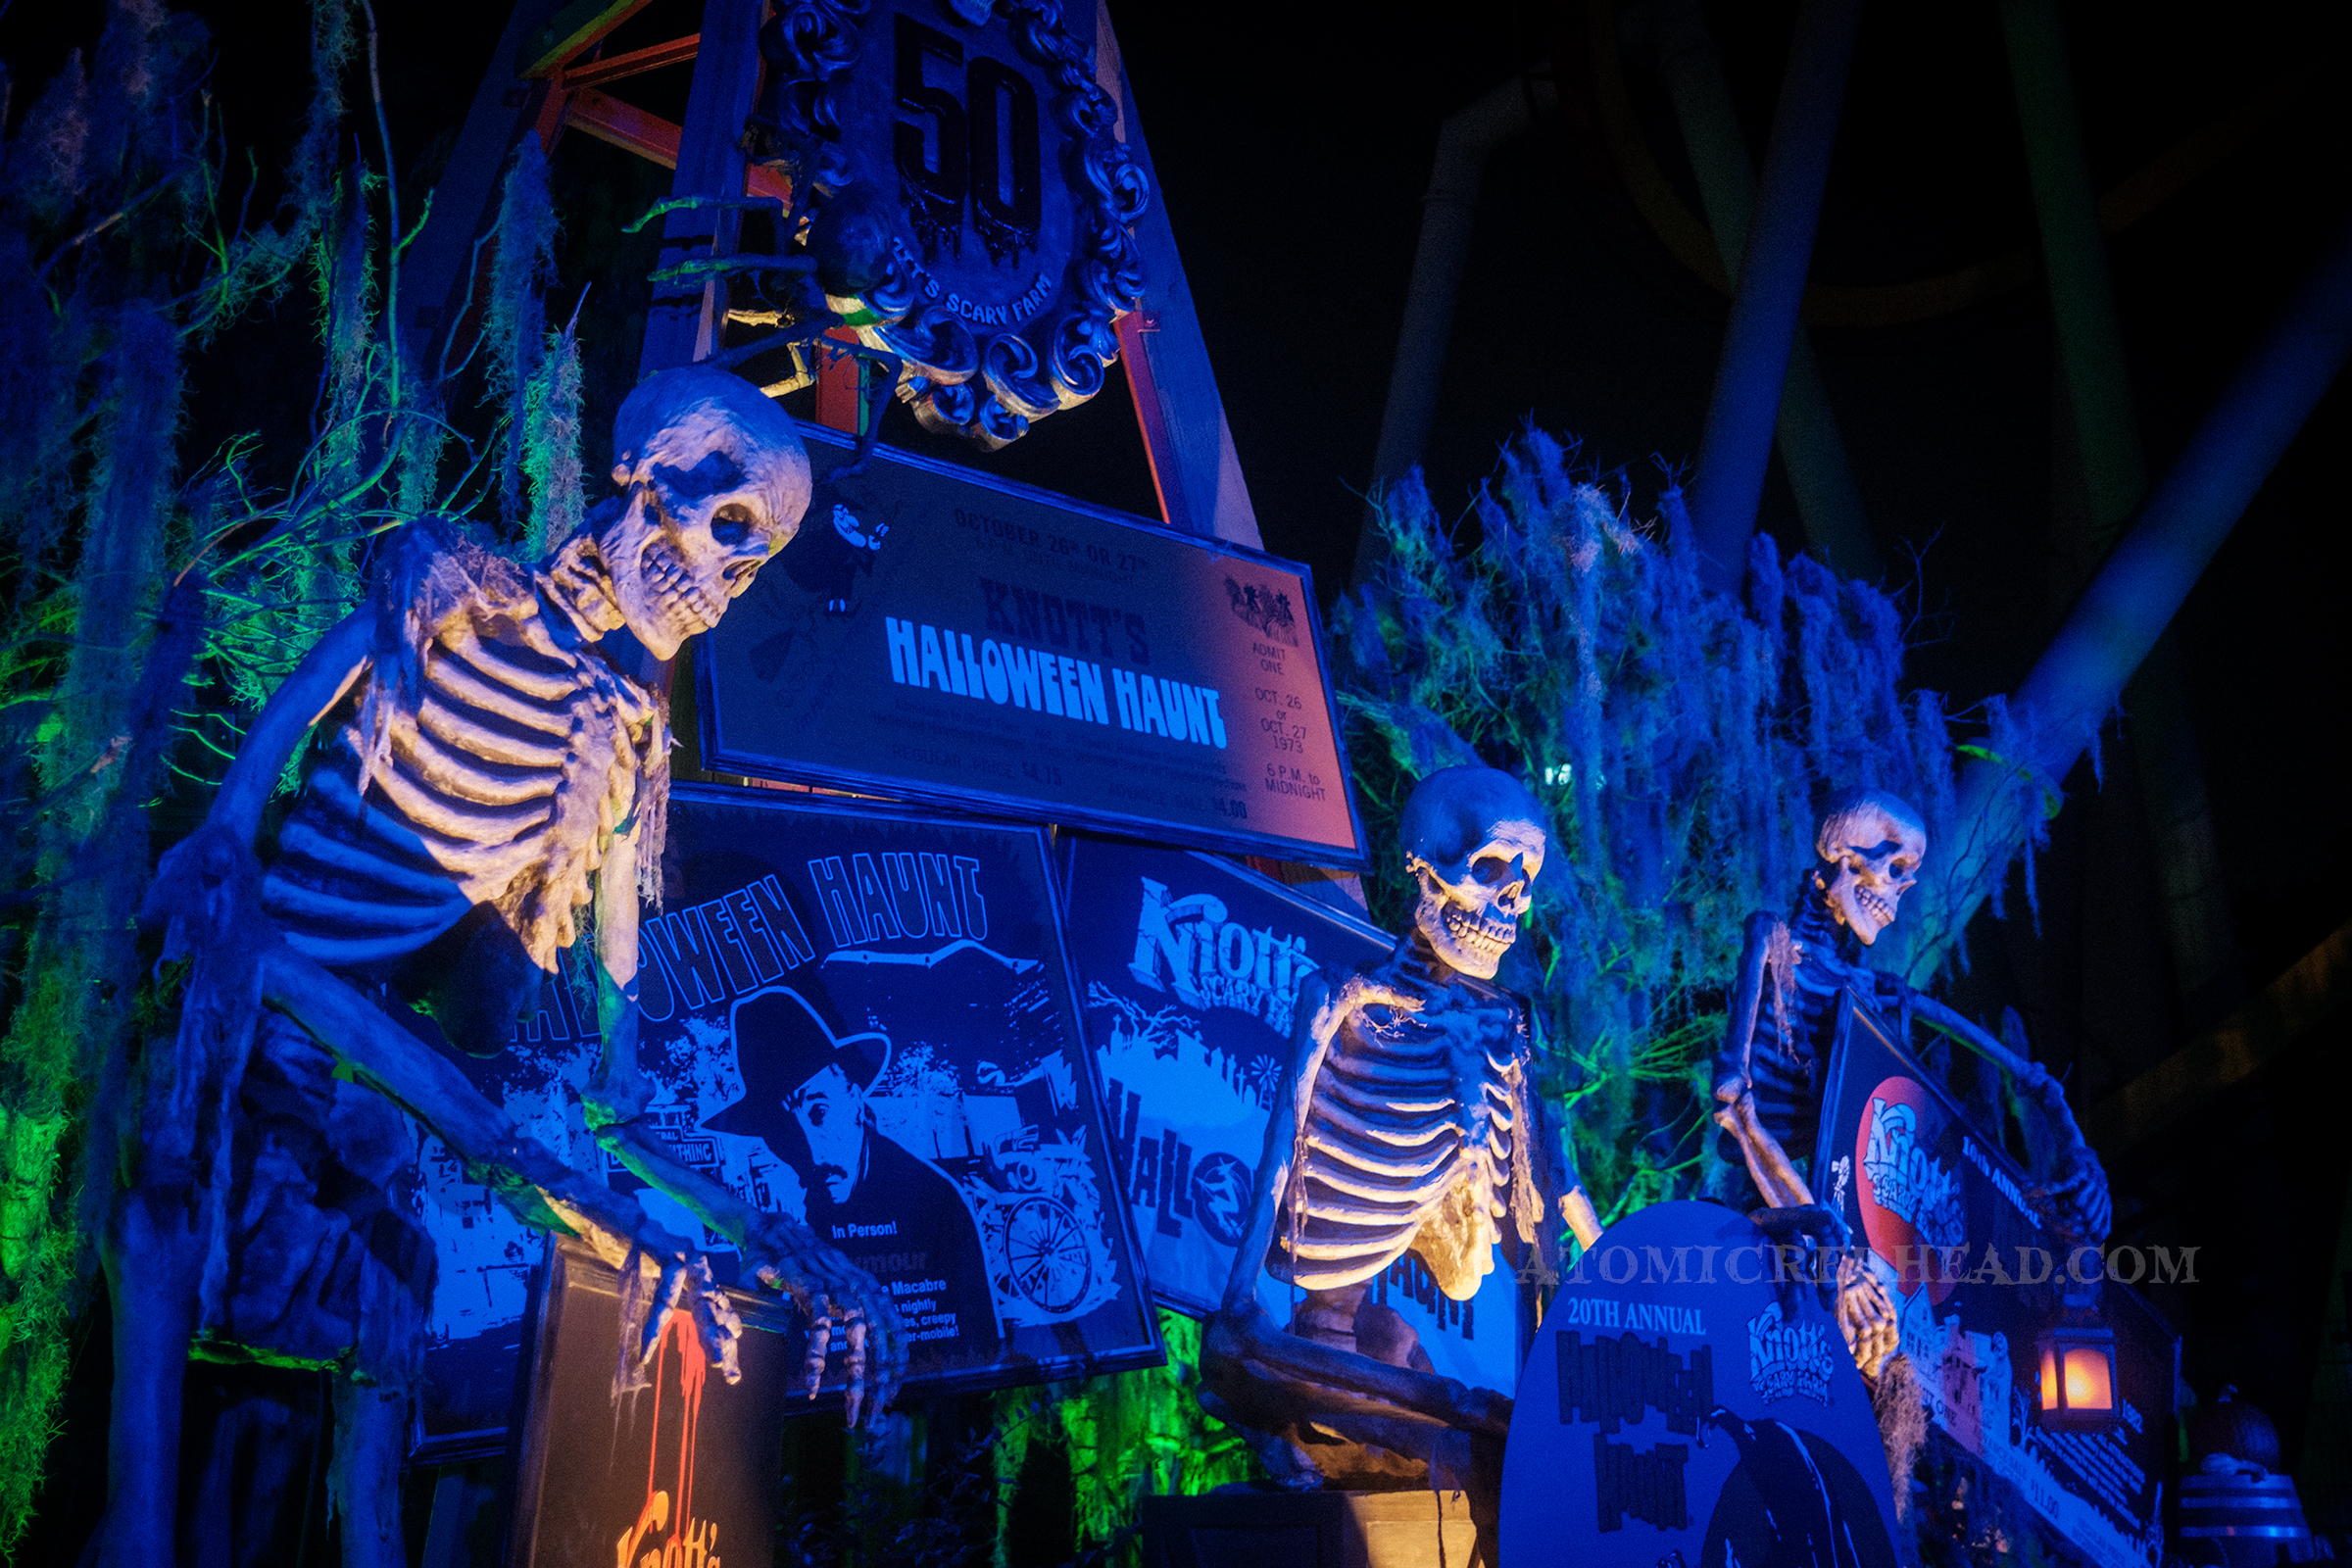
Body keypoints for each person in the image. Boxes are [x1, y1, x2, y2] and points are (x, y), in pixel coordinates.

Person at [706, 988, 999, 1354]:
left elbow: (980, 1350)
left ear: (855, 1098)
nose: (812, 1154)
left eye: (819, 1112)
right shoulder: (800, 1216)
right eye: (784, 1129)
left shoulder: (934, 1199)